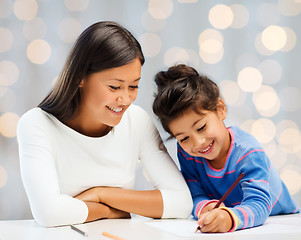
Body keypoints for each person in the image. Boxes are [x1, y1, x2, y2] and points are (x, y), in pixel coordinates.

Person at [17, 21, 193, 227]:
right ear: (80, 78)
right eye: (114, 87)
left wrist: (100, 194)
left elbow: (181, 203)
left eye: (133, 86)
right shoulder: (37, 124)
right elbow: (48, 213)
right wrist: (111, 211)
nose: (125, 99)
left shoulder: (136, 121)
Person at [152, 64, 299, 233]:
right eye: (184, 138)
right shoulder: (188, 155)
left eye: (201, 127)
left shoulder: (248, 153)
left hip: (282, 223)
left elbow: (259, 204)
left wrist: (229, 218)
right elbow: (194, 194)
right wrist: (205, 207)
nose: (198, 142)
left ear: (220, 109)